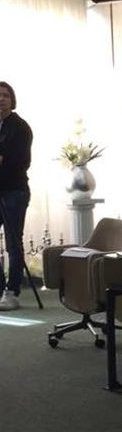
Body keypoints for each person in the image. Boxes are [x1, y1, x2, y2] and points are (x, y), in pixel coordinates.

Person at [0, 81, 33, 311]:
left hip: (14, 192)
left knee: (13, 243)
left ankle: (12, 292)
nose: (1, 99)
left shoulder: (20, 127)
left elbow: (20, 161)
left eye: (5, 95)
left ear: (12, 100)